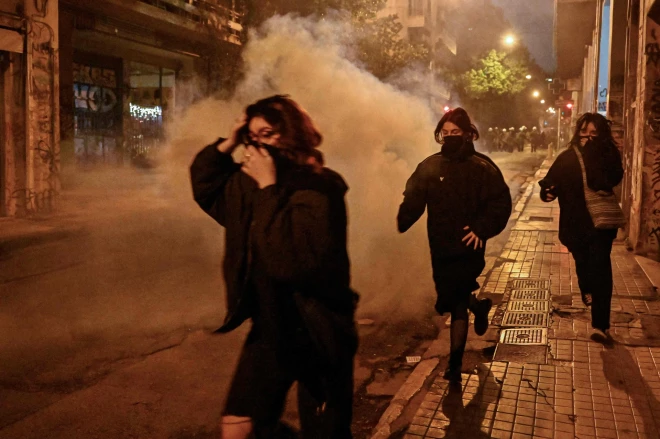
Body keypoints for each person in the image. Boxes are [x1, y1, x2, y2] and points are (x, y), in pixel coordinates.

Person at [190, 95, 358, 439]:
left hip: (318, 330)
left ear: (291, 133)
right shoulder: (247, 186)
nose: (257, 144)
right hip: (271, 327)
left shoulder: (319, 186)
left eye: (267, 133)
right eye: (252, 136)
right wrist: (229, 142)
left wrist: (268, 187)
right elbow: (206, 187)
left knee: (326, 434)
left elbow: (290, 262)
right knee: (238, 426)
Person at [397, 108, 512, 383]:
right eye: (445, 134)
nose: (449, 138)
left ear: (468, 134)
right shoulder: (431, 165)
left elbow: (500, 202)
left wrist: (481, 229)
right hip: (440, 245)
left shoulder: (482, 166)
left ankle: (455, 365)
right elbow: (415, 195)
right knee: (450, 296)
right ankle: (479, 306)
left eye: (455, 133)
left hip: (468, 245)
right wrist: (404, 217)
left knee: (457, 301)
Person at [539, 112, 623, 342]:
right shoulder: (568, 157)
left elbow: (613, 178)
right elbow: (550, 181)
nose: (588, 137)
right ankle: (586, 288)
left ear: (602, 135)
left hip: (600, 224)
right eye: (584, 132)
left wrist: (596, 155)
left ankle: (600, 325)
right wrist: (547, 192)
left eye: (594, 133)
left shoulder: (608, 156)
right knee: (584, 265)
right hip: (575, 224)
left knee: (601, 269)